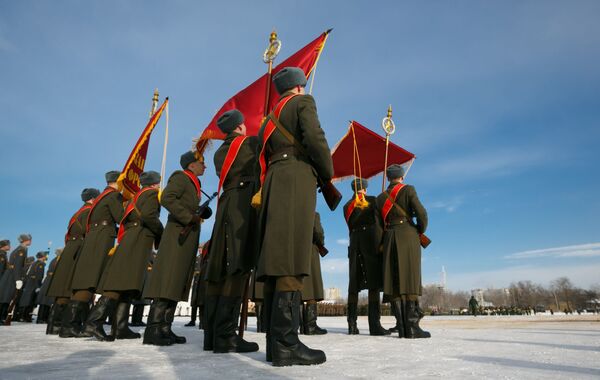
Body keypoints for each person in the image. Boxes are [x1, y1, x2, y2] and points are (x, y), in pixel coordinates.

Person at [255, 67, 334, 366]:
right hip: (296, 177)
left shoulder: (267, 122)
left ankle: (276, 346)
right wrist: (327, 172)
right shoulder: (303, 102)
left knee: (278, 258)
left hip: (274, 179)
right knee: (290, 256)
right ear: (299, 87)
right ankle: (287, 343)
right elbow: (315, 138)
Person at [203, 109, 260, 353]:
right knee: (237, 264)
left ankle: (212, 336)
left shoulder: (219, 153)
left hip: (226, 204)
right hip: (241, 205)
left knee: (220, 266)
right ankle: (226, 335)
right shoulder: (247, 144)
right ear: (239, 127)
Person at [83, 171, 164, 341]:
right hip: (138, 240)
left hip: (132, 239)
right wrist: (162, 233)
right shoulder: (151, 194)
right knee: (119, 283)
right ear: (155, 183)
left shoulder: (136, 197)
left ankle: (120, 327)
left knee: (127, 284)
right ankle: (94, 322)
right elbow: (149, 216)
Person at [142, 151, 212, 346]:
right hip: (177, 235)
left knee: (176, 282)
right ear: (191, 165)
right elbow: (167, 198)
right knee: (168, 280)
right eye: (201, 163)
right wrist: (189, 217)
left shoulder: (193, 183)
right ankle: (153, 330)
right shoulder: (181, 177)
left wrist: (200, 211)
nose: (204, 166)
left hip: (186, 237)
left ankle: (165, 328)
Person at [64, 172, 124, 337]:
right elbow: (120, 217)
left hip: (95, 238)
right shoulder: (113, 196)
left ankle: (70, 325)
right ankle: (73, 325)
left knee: (85, 280)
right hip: (102, 239)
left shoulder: (101, 198)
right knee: (89, 280)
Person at [376, 164, 429, 339]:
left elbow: (378, 226)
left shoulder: (380, 198)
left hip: (389, 237)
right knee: (411, 278)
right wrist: (419, 230)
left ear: (388, 177)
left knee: (394, 281)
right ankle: (412, 327)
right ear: (401, 177)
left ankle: (402, 328)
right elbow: (421, 214)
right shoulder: (408, 189)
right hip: (407, 234)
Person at [47, 188, 99, 336]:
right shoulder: (88, 212)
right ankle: (65, 325)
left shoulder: (78, 211)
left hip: (71, 246)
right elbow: (88, 231)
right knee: (69, 286)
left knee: (64, 288)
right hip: (78, 247)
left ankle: (54, 325)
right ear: (93, 198)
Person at [343, 178, 390, 336]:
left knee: (354, 284)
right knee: (373, 284)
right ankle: (374, 325)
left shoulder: (346, 206)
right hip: (371, 243)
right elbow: (381, 222)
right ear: (365, 189)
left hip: (355, 243)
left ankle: (351, 325)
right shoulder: (373, 200)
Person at [300, 212, 327, 335]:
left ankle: (300, 325)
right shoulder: (313, 214)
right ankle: (311, 326)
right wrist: (321, 243)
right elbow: (319, 232)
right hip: (310, 250)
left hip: (296, 251)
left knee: (298, 289)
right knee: (312, 289)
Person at [0, 234, 32, 323]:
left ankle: (3, 317)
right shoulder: (21, 250)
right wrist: (18, 279)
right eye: (30, 239)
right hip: (12, 275)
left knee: (6, 297)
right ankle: (1, 317)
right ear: (26, 240)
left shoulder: (20, 249)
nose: (31, 241)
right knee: (5, 297)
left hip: (11, 274)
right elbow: (17, 265)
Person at [18, 251, 47, 322]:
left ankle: (22, 316)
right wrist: (38, 286)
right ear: (42, 257)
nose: (45, 257)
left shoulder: (34, 263)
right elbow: (39, 276)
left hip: (30, 283)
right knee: (31, 300)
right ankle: (26, 317)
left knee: (26, 300)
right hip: (34, 284)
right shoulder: (41, 264)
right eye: (44, 256)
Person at [36, 249, 61, 324]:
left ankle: (43, 318)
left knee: (46, 302)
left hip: (49, 281)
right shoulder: (57, 260)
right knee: (45, 301)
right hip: (50, 282)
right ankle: (41, 318)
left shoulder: (55, 259)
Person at [185, 252, 202, 327]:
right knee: (194, 301)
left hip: (202, 278)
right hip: (195, 279)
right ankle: (193, 320)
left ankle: (202, 322)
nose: (200, 250)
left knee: (201, 301)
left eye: (201, 249)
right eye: (199, 249)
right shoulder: (196, 258)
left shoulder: (204, 257)